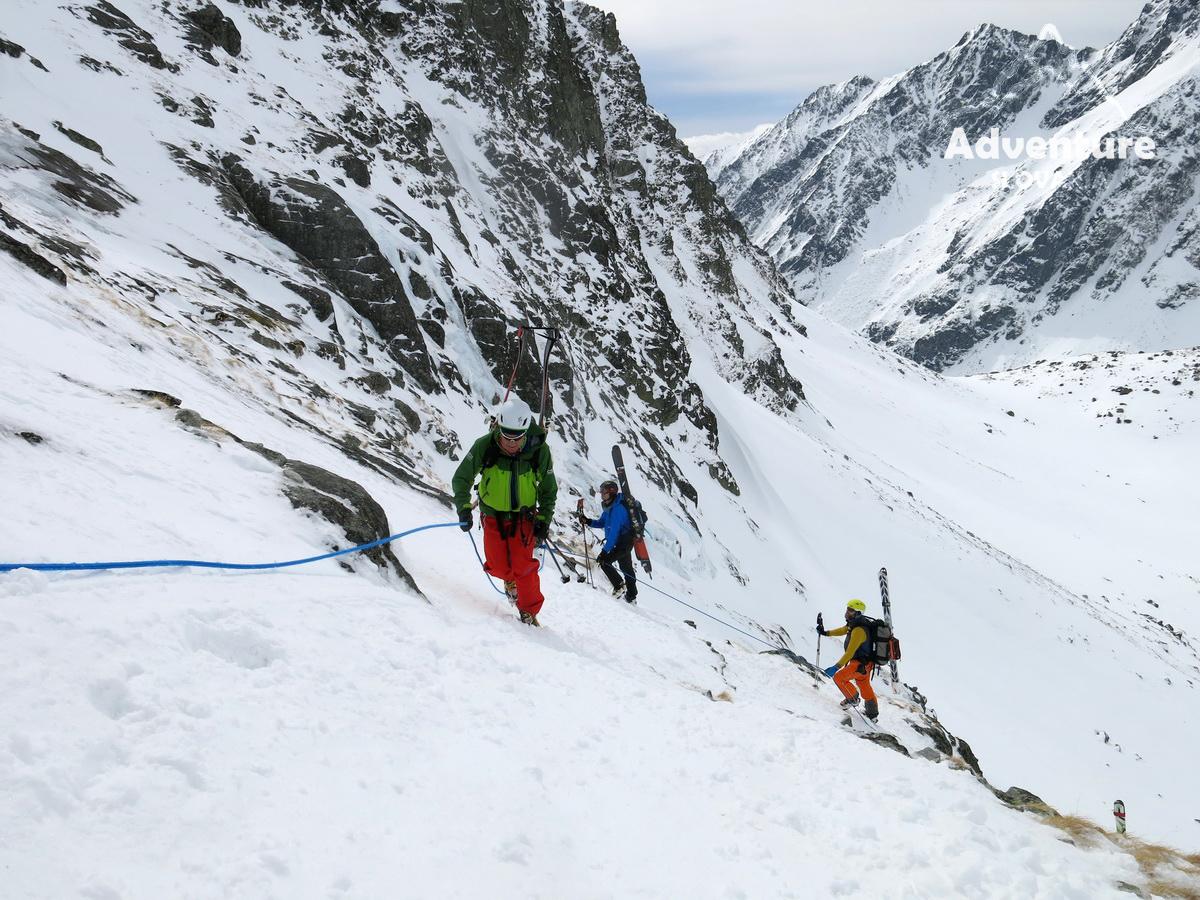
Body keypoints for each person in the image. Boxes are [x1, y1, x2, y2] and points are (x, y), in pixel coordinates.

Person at [452, 397, 557, 626]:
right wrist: (463, 507)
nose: (510, 443)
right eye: (506, 436)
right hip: (492, 516)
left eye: (516, 438)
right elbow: (462, 477)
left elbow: (549, 488)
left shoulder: (539, 450)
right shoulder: (486, 444)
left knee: (524, 567)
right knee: (497, 566)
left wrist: (543, 519)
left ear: (525, 432)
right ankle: (509, 581)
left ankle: (528, 612)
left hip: (524, 519)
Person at [576, 479, 638, 604]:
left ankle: (619, 586)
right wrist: (588, 521)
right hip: (622, 541)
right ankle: (631, 596)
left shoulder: (617, 509)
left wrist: (604, 552)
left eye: (604, 492)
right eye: (602, 492)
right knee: (626, 568)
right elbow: (602, 522)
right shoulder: (610, 507)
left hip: (624, 542)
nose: (602, 495)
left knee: (605, 562)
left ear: (612, 492)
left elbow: (613, 534)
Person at [817, 598, 879, 720]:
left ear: (858, 613)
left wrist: (836, 667)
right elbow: (843, 630)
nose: (847, 612)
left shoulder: (859, 630)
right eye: (848, 609)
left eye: (851, 610)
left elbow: (850, 652)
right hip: (865, 665)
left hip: (859, 664)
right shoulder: (854, 625)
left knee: (839, 677)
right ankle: (872, 714)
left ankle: (853, 699)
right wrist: (826, 633)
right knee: (864, 685)